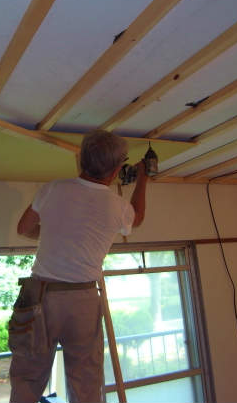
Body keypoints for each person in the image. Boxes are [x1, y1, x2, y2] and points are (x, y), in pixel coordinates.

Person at [8, 129, 148, 403]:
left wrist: (54, 233)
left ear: (81, 160)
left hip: (40, 295)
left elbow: (24, 228)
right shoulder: (118, 206)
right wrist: (143, 177)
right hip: (83, 298)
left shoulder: (53, 188)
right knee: (85, 384)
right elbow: (138, 217)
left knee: (27, 378)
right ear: (116, 170)